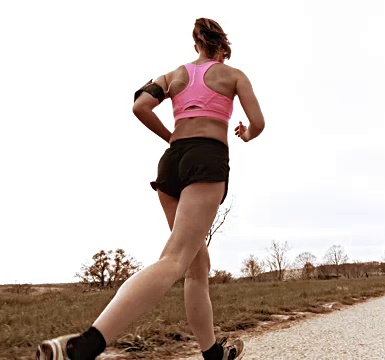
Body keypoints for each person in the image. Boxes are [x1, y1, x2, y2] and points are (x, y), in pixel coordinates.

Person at [36, 18, 265, 360]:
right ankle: (82, 346)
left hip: (172, 162)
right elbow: (258, 123)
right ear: (223, 46)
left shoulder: (173, 76)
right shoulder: (233, 75)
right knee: (175, 260)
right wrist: (245, 133)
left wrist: (171, 137)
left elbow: (140, 105)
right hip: (206, 157)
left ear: (196, 45)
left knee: (195, 265)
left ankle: (213, 353)